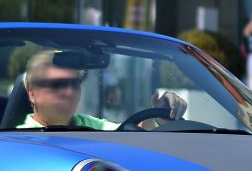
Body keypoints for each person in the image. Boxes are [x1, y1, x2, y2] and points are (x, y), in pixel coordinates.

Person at [17, 50, 186, 129]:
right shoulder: (18, 140)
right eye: (57, 84)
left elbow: (131, 134)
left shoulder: (88, 124)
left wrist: (160, 116)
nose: (69, 92)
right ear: (32, 92)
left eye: (74, 83)